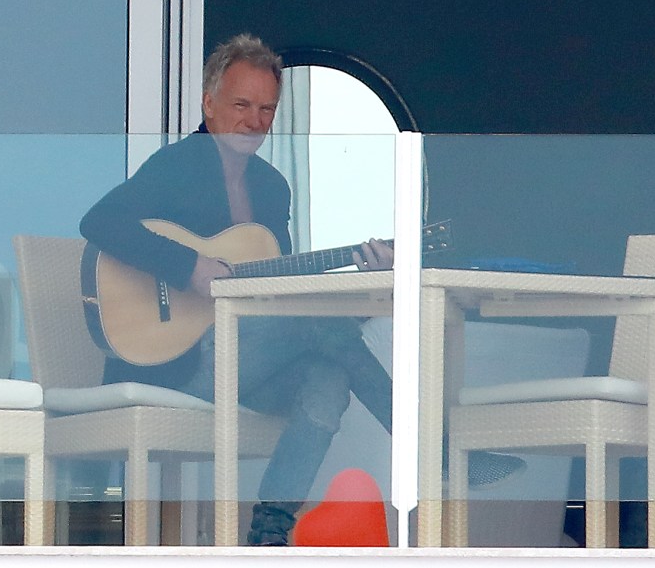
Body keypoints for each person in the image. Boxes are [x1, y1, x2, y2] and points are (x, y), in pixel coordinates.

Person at [81, 33, 514, 546]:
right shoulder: (176, 166)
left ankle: (270, 530)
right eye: (241, 104)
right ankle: (434, 450)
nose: (254, 121)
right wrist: (188, 265)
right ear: (209, 103)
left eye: (267, 109)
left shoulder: (270, 187)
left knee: (327, 378)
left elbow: (281, 288)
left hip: (246, 362)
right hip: (178, 364)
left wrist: (362, 275)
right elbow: (99, 220)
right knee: (321, 327)